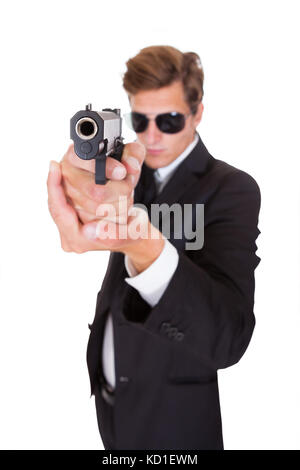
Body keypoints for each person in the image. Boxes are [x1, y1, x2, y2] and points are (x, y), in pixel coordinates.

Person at [47, 45, 261, 450]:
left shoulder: (231, 188)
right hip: (111, 409)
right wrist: (85, 186)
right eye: (140, 120)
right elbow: (99, 192)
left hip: (176, 424)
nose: (152, 134)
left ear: (198, 113)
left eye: (170, 119)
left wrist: (144, 246)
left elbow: (229, 336)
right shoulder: (132, 174)